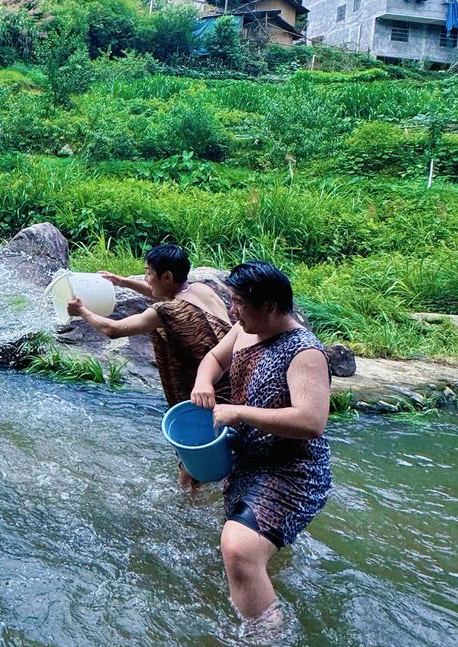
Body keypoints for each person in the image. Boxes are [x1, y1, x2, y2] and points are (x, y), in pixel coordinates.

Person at [190, 261, 331, 623]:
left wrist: (238, 412)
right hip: (249, 459)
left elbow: (311, 421)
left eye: (238, 302)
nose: (231, 311)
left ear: (269, 305)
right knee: (241, 540)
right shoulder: (243, 329)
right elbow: (213, 358)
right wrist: (203, 382)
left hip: (291, 472)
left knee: (237, 550)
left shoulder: (305, 352)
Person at [66, 244, 232, 487]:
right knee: (227, 455)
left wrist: (82, 311)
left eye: (148, 273)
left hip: (203, 397)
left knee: (191, 466)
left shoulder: (165, 311)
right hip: (233, 385)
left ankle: (186, 511)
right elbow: (169, 295)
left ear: (167, 276)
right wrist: (123, 282)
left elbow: (114, 330)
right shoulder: (203, 290)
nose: (146, 278)